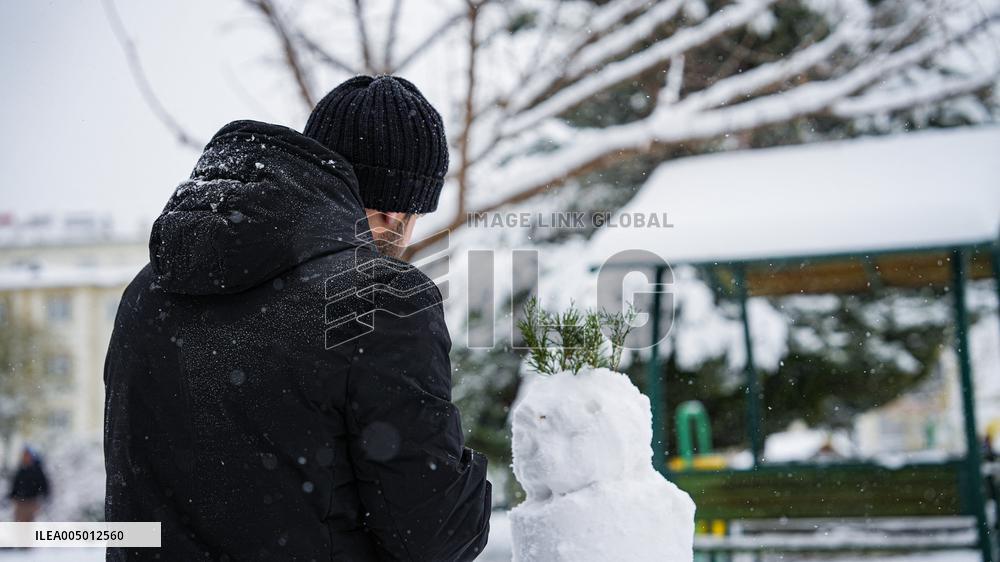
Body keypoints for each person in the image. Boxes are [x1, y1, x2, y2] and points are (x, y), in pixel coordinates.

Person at [104, 75, 491, 561]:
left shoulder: (150, 287)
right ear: (396, 213)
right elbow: (436, 532)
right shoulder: (381, 299)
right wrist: (471, 477)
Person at [8, 446, 49, 523]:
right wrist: (12, 496)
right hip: (20, 503)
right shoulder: (20, 470)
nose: (25, 457)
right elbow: (15, 485)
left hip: (31, 503)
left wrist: (44, 497)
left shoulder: (37, 471)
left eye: (27, 455)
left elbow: (44, 485)